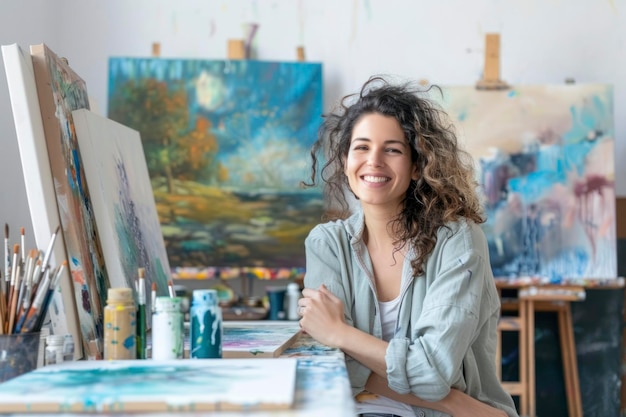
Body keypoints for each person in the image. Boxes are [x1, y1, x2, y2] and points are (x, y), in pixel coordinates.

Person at [298, 76, 518, 417]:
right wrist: (452, 399)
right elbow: (333, 366)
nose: (374, 160)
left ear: (417, 166)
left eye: (393, 149)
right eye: (362, 147)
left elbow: (433, 372)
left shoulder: (457, 241)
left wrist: (340, 332)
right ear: (344, 160)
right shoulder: (327, 243)